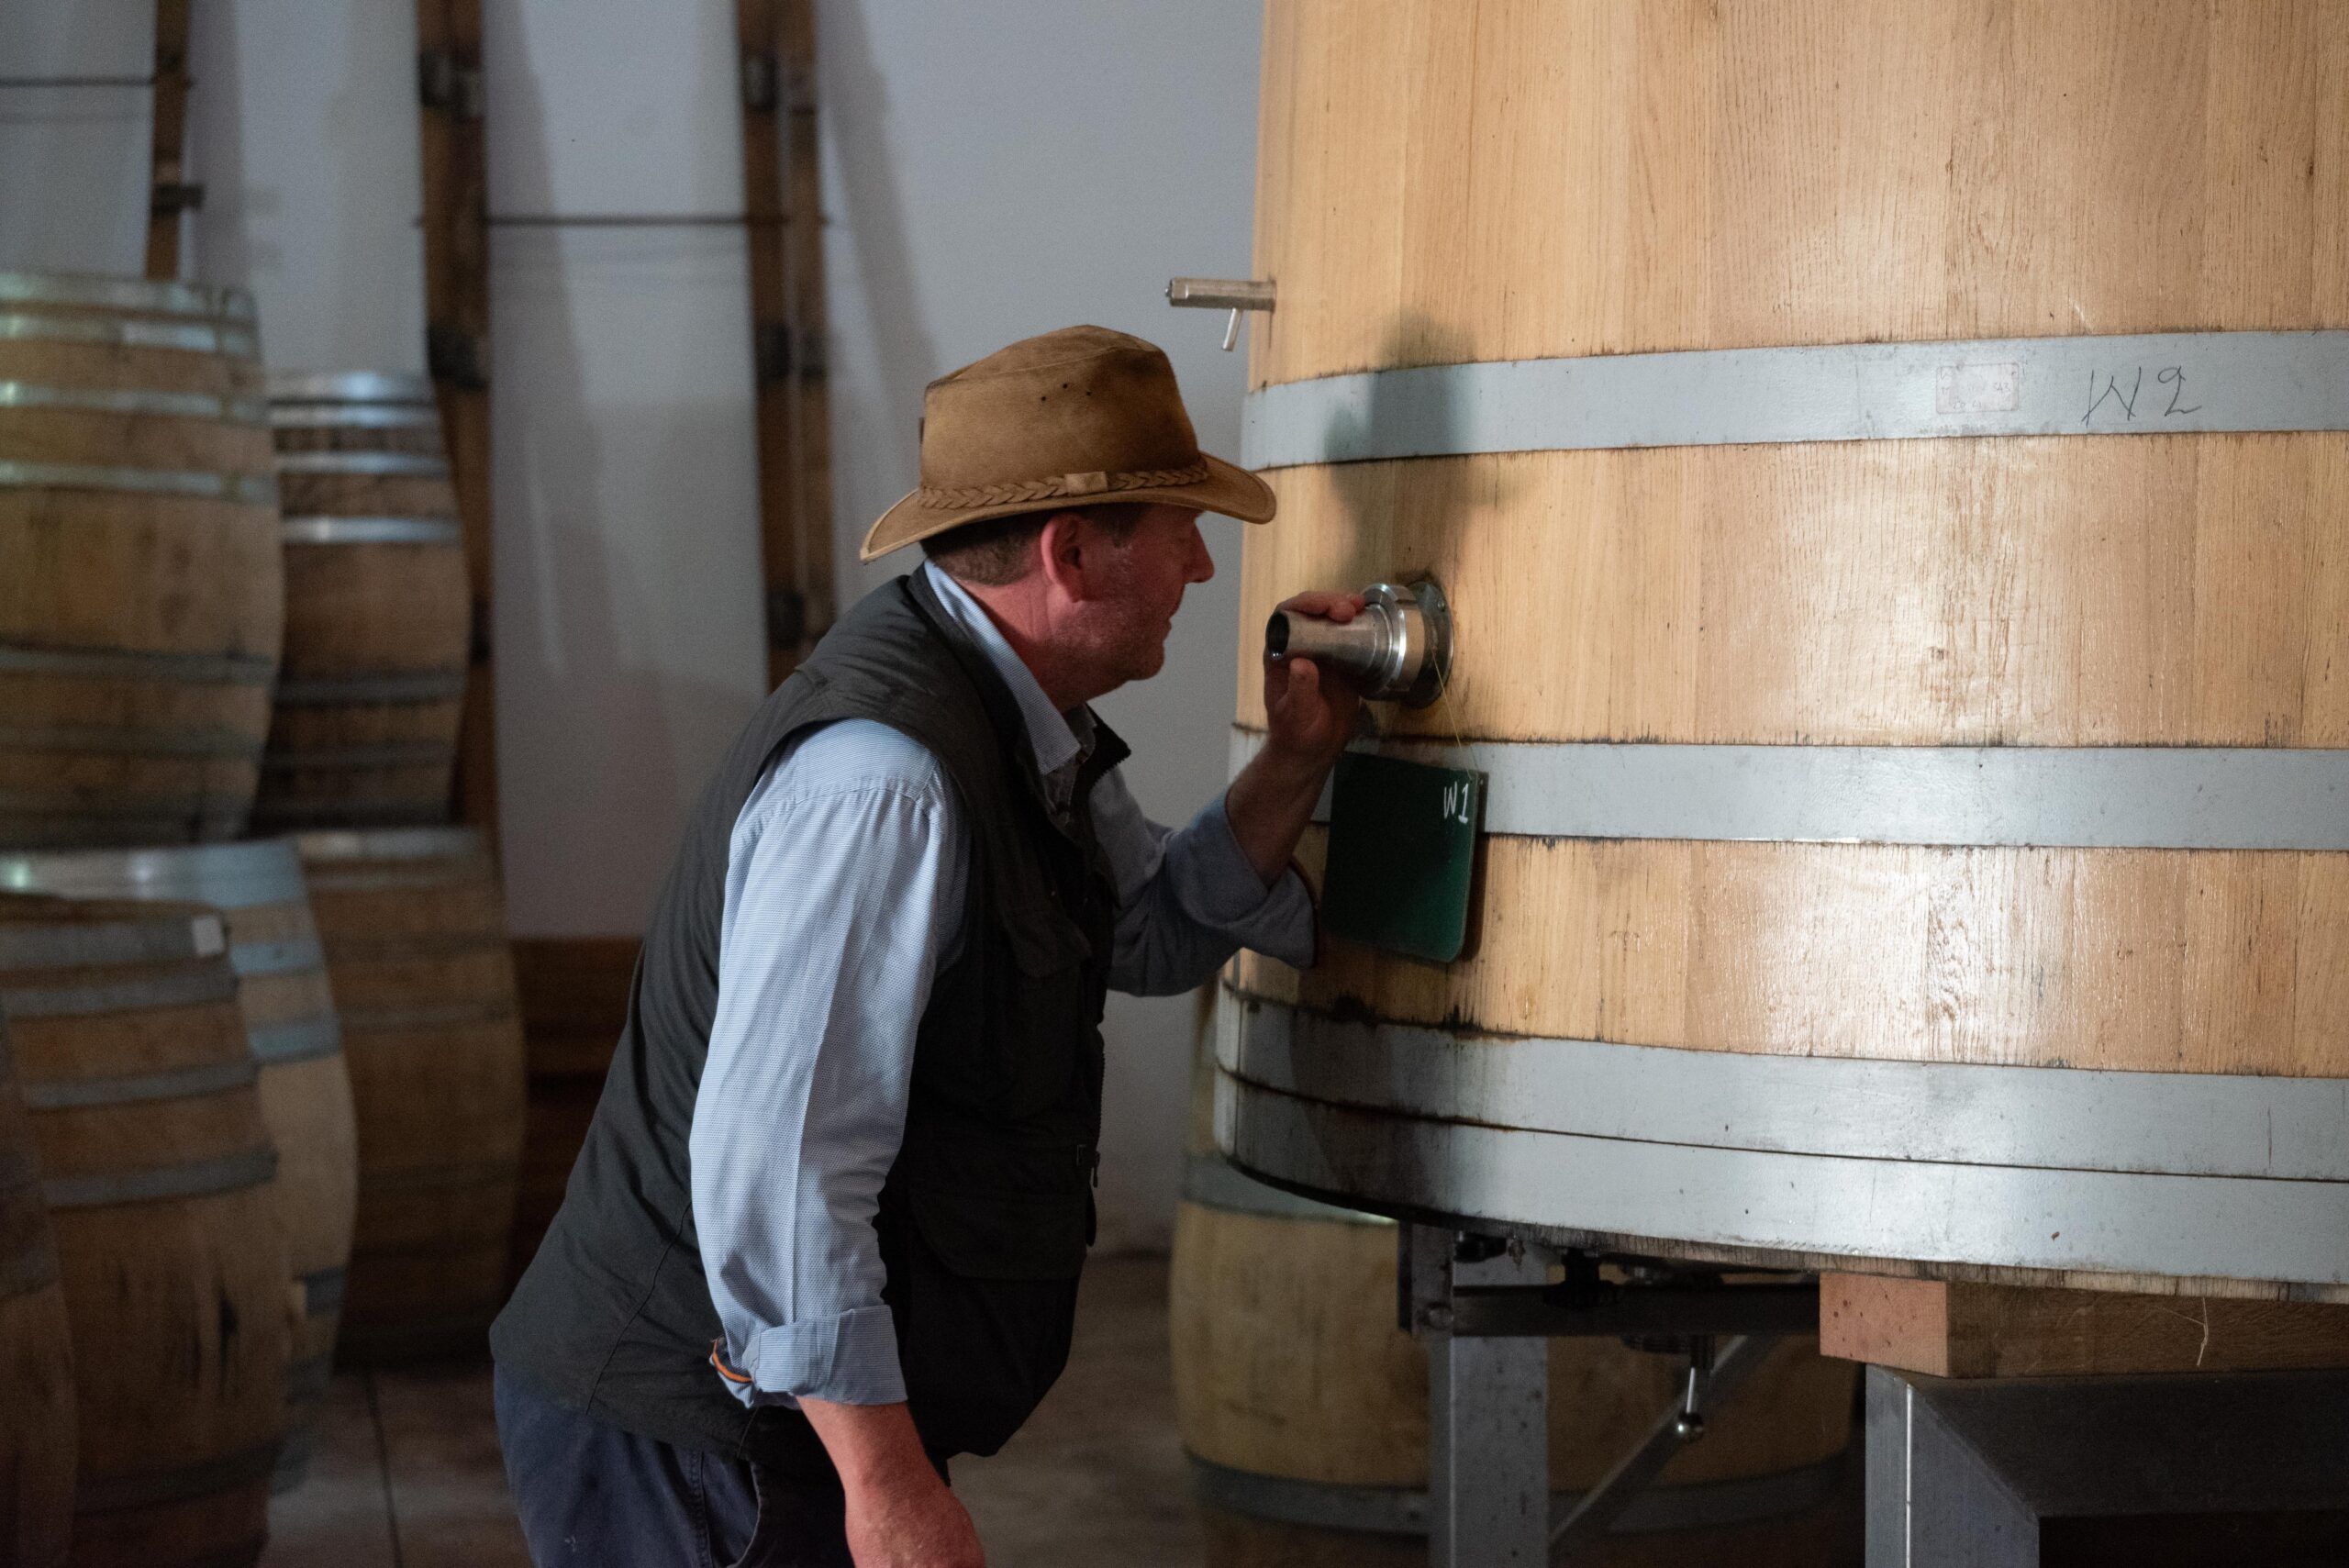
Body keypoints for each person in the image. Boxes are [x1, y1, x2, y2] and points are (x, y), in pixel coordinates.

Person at [489, 325, 1361, 1567]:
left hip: (782, 1410)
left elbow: (1153, 928)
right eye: (1178, 526)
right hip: (696, 1433)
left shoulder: (1019, 724)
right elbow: (783, 1168)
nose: (1203, 568)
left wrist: (1295, 762)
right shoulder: (885, 780)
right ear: (1070, 554)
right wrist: (888, 1483)